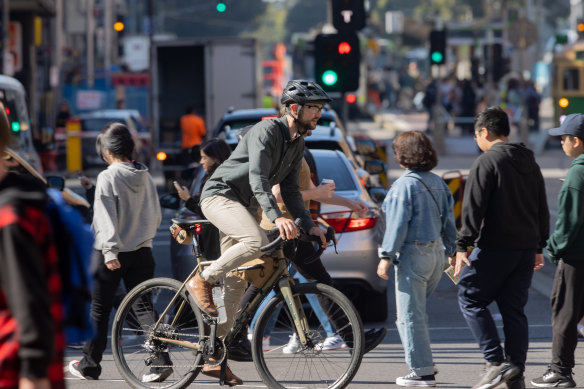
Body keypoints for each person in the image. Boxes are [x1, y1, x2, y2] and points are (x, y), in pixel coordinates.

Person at [185, 80, 332, 386]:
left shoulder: (297, 143)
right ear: (294, 109)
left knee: (237, 289)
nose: (319, 113)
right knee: (256, 240)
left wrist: (309, 224)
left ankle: (213, 359)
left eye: (320, 108)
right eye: (314, 108)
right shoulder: (266, 131)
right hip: (220, 196)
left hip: (245, 207)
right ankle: (203, 278)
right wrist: (277, 218)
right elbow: (258, 178)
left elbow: (292, 191)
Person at [227, 144, 385, 361]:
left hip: (288, 229)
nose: (315, 119)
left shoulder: (297, 154)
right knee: (320, 283)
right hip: (282, 229)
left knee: (261, 285)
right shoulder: (283, 153)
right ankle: (354, 340)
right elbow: (277, 194)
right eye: (312, 112)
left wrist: (349, 203)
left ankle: (230, 335)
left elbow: (311, 192)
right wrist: (316, 193)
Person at [452, 106, 549, 389]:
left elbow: (473, 209)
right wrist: (539, 245)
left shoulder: (486, 162)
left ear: (484, 132)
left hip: (496, 246)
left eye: (476, 135)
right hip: (525, 249)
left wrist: (463, 245)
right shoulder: (529, 160)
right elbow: (541, 206)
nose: (476, 141)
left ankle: (495, 362)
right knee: (514, 310)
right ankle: (514, 374)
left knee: (470, 297)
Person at [68, 123, 164, 382]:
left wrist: (110, 251)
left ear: (107, 150)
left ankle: (89, 365)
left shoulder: (108, 176)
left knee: (99, 310)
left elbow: (105, 218)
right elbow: (155, 215)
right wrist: (144, 238)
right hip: (142, 249)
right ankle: (161, 363)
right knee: (143, 306)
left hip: (111, 253)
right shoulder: (144, 175)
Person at [376, 131, 457, 387]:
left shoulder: (404, 186)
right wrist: (453, 251)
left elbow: (397, 225)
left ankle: (422, 372)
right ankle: (425, 363)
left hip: (413, 255)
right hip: (436, 255)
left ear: (402, 156)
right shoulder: (438, 182)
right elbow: (450, 223)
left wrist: (385, 257)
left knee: (409, 317)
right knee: (417, 314)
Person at [0, 105, 66, 389]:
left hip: (17, 372)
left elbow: (29, 306)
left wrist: (34, 373)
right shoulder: (24, 205)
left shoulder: (11, 217)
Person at [530, 114, 584, 388]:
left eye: (563, 138)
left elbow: (568, 223)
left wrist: (552, 249)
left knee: (564, 312)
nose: (561, 142)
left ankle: (560, 371)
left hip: (576, 258)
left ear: (576, 140)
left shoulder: (578, 172)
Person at [174, 138, 232, 265]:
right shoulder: (219, 177)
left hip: (218, 242)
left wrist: (188, 200)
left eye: (204, 158)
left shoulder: (216, 180)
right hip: (217, 241)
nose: (201, 162)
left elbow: (209, 211)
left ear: (216, 158)